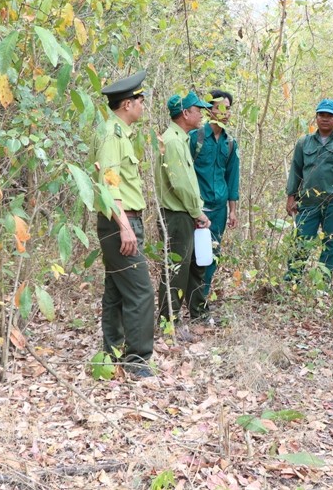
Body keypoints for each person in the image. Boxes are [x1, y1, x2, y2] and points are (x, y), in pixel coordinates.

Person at [91, 70, 154, 378]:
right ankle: (137, 361)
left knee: (117, 291)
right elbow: (108, 184)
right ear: (127, 104)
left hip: (127, 221)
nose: (144, 105)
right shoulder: (110, 135)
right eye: (140, 100)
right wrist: (124, 227)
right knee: (141, 292)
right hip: (120, 223)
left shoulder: (122, 134)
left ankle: (112, 353)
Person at [155, 91, 212, 335]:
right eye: (197, 110)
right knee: (175, 270)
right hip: (176, 215)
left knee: (187, 268)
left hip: (183, 214)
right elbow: (180, 184)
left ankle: (184, 316)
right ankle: (169, 322)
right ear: (185, 113)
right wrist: (197, 212)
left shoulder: (180, 138)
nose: (201, 114)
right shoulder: (173, 141)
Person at [285, 98, 333, 280]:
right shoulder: (304, 143)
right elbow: (296, 170)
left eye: (329, 116)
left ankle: (323, 285)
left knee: (331, 243)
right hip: (308, 201)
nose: (325, 119)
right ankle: (293, 281)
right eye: (321, 115)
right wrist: (291, 196)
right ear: (316, 118)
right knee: (301, 241)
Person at [189, 90, 240, 308]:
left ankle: (201, 300)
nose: (226, 113)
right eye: (221, 108)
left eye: (228, 109)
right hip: (197, 208)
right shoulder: (195, 138)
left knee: (212, 255)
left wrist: (233, 210)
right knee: (193, 255)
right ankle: (187, 301)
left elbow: (232, 177)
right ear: (210, 110)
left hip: (220, 209)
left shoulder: (230, 143)